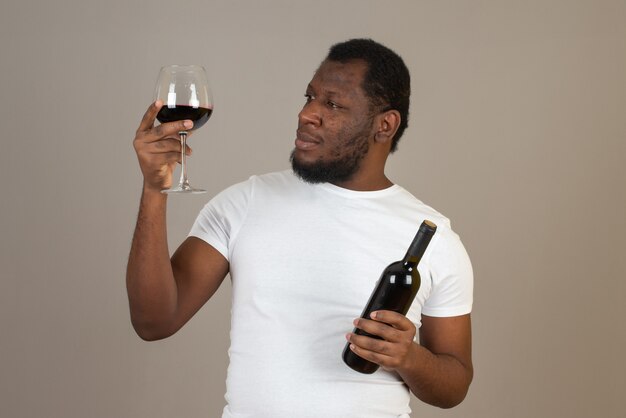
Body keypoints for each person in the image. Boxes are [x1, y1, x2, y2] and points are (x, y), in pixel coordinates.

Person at [127, 38, 473, 418]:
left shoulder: (433, 237)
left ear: (384, 125)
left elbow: (454, 384)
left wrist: (410, 358)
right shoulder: (245, 203)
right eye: (309, 97)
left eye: (333, 104)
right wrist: (154, 189)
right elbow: (154, 320)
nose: (307, 114)